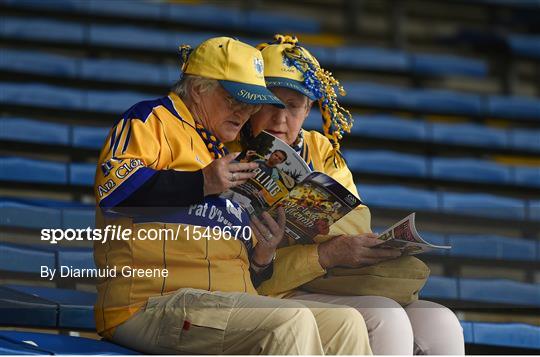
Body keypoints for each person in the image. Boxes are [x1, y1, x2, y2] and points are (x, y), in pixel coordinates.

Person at [93, 36, 372, 355]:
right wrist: (200, 183)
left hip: (225, 305)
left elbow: (247, 270)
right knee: (289, 320)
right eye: (234, 99)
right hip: (151, 304)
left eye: (253, 102)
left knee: (347, 322)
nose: (245, 111)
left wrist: (262, 256)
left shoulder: (234, 150)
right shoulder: (151, 119)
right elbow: (113, 194)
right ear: (199, 89)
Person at [235, 34, 465, 355]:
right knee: (387, 318)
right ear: (251, 101)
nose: (280, 118)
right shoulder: (231, 150)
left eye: (293, 106)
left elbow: (356, 223)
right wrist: (324, 250)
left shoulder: (321, 148)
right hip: (269, 290)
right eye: (271, 103)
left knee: (439, 320)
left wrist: (325, 234)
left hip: (327, 281)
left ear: (309, 108)